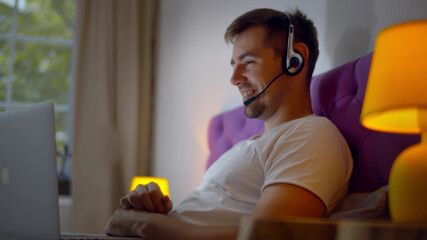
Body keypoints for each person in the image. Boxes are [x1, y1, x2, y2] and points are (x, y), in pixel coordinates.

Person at [105, 8, 353, 239]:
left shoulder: (312, 135)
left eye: (248, 62)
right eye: (234, 65)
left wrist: (147, 225)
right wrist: (153, 210)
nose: (234, 79)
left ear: (295, 60)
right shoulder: (251, 146)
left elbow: (270, 235)